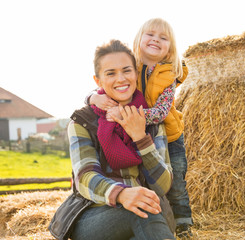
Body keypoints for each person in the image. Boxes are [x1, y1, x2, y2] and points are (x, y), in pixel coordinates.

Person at [85, 18, 193, 238]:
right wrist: (93, 97)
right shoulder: (129, 65)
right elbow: (104, 86)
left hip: (167, 132)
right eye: (150, 35)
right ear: (139, 39)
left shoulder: (170, 73)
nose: (156, 40)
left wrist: (130, 117)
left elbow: (162, 112)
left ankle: (183, 222)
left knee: (177, 180)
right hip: (133, 126)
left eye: (163, 38)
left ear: (170, 48)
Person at [68, 39, 176, 240]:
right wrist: (122, 194)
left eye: (127, 70)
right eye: (110, 73)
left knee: (143, 216)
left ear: (136, 73)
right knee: (142, 212)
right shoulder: (82, 121)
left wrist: (140, 137)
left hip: (148, 214)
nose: (121, 79)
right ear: (98, 81)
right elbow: (84, 176)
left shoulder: (152, 120)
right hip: (94, 216)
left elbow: (163, 185)